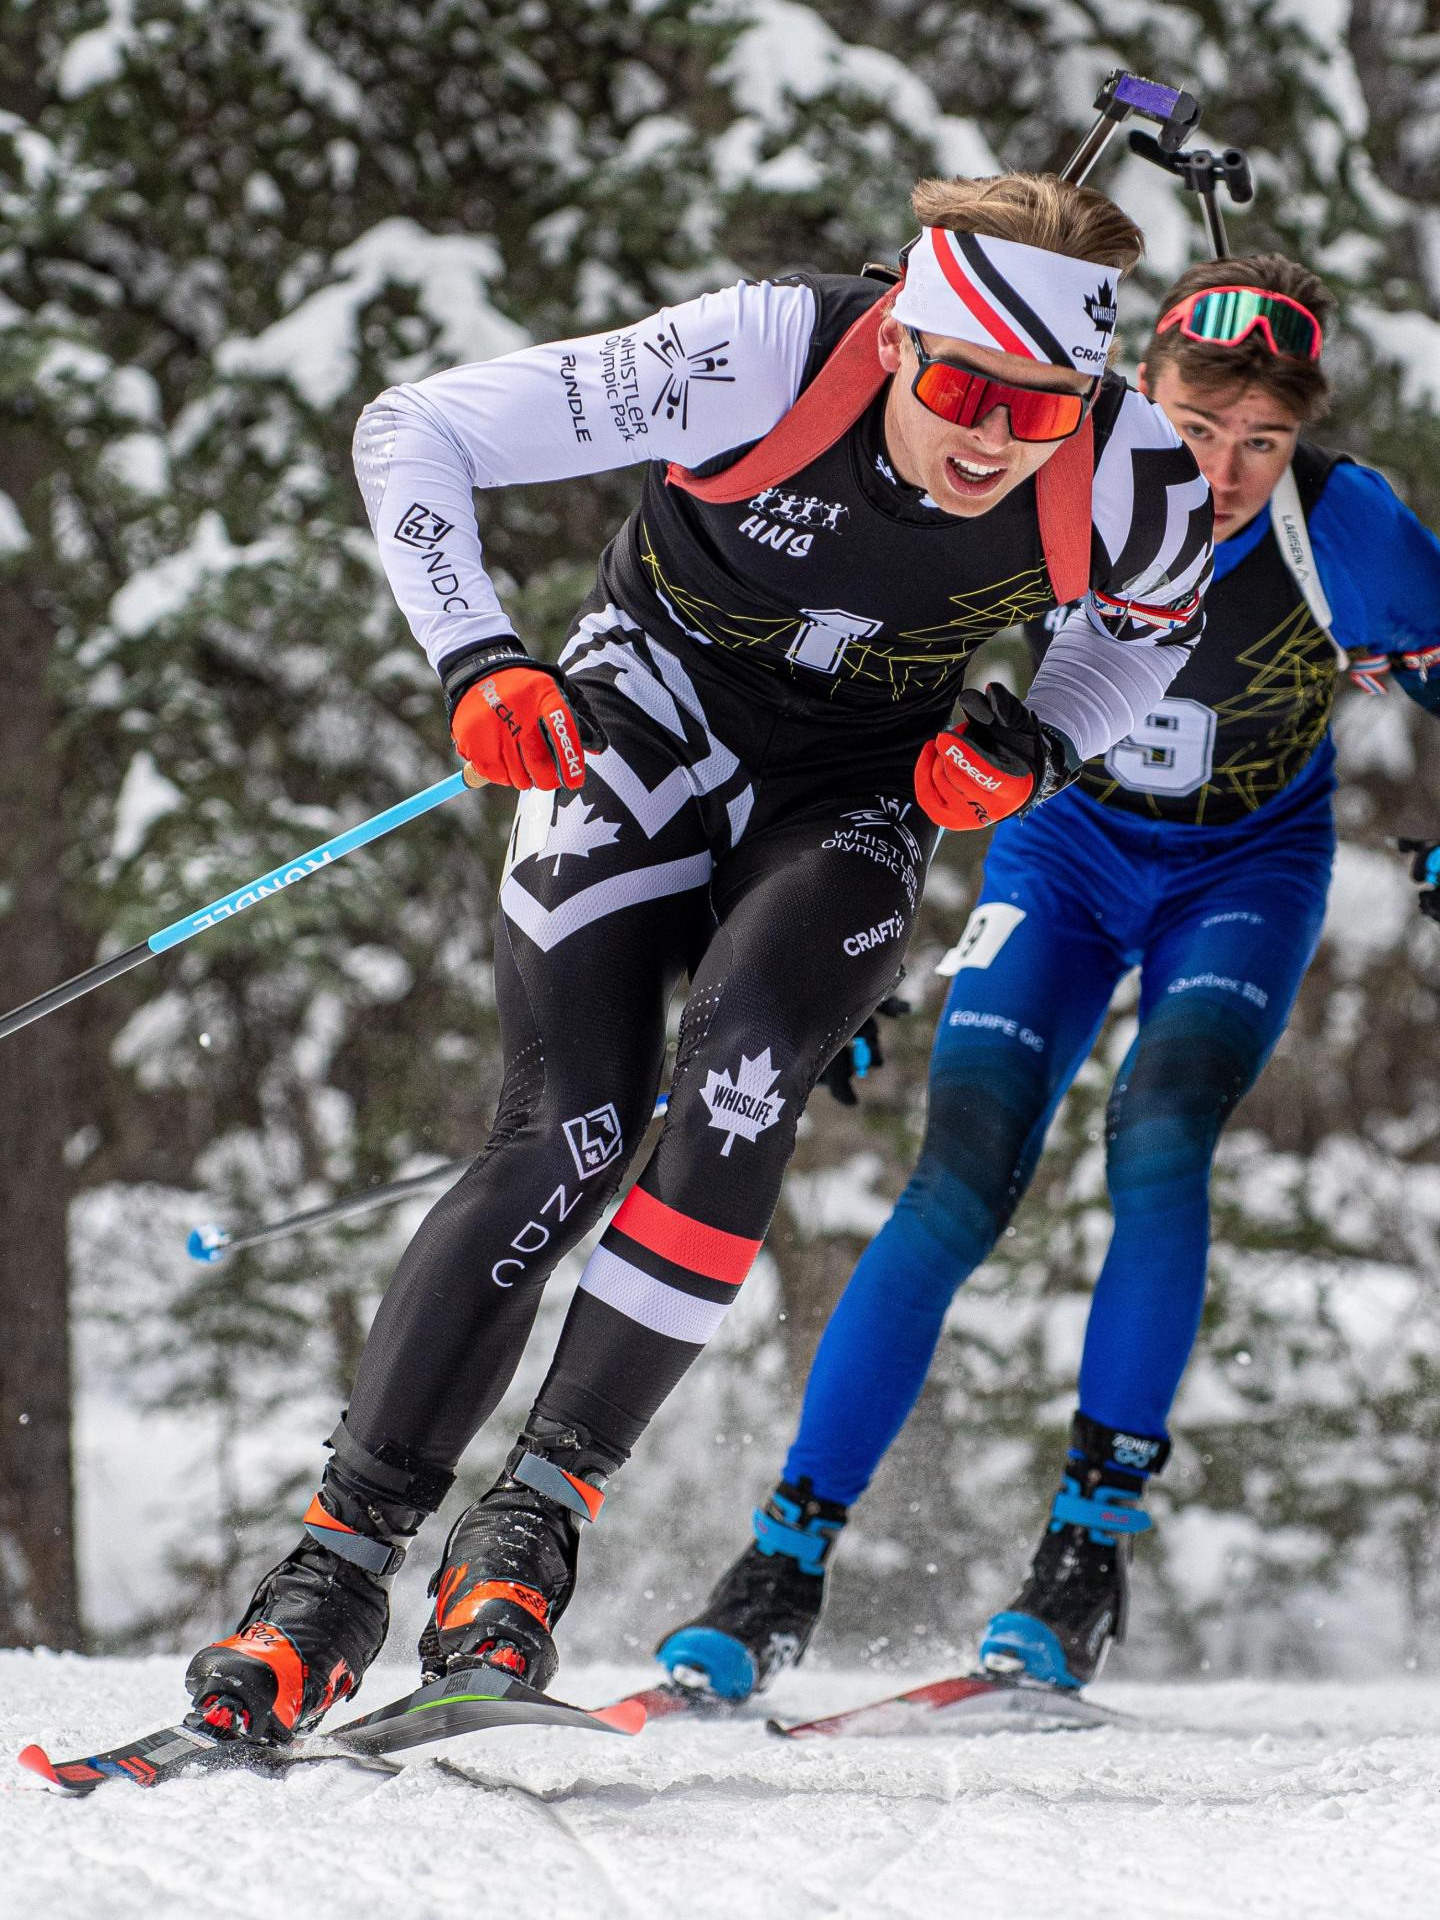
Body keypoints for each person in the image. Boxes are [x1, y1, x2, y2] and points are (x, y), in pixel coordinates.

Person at [182, 170, 1214, 1743]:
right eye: (958, 387)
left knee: (739, 1079)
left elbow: (1148, 628)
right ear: (896, 345)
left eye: (1044, 410)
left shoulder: (1135, 477)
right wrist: (477, 657)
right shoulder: (764, 354)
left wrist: (1038, 740)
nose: (997, 436)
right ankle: (329, 1576)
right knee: (568, 1132)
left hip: (860, 785)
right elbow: (416, 430)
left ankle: (522, 1543)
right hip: (645, 722)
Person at [662, 253, 1440, 1702]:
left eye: (1261, 442)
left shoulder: (1349, 530)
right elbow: (869, 699)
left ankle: (1085, 1550)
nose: (1221, 470)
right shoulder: (1042, 461)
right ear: (1139, 392)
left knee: (1161, 1136)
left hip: (1240, 876)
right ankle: (782, 1562)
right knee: (956, 1173)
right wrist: (834, 954)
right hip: (1061, 862)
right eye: (1197, 428)